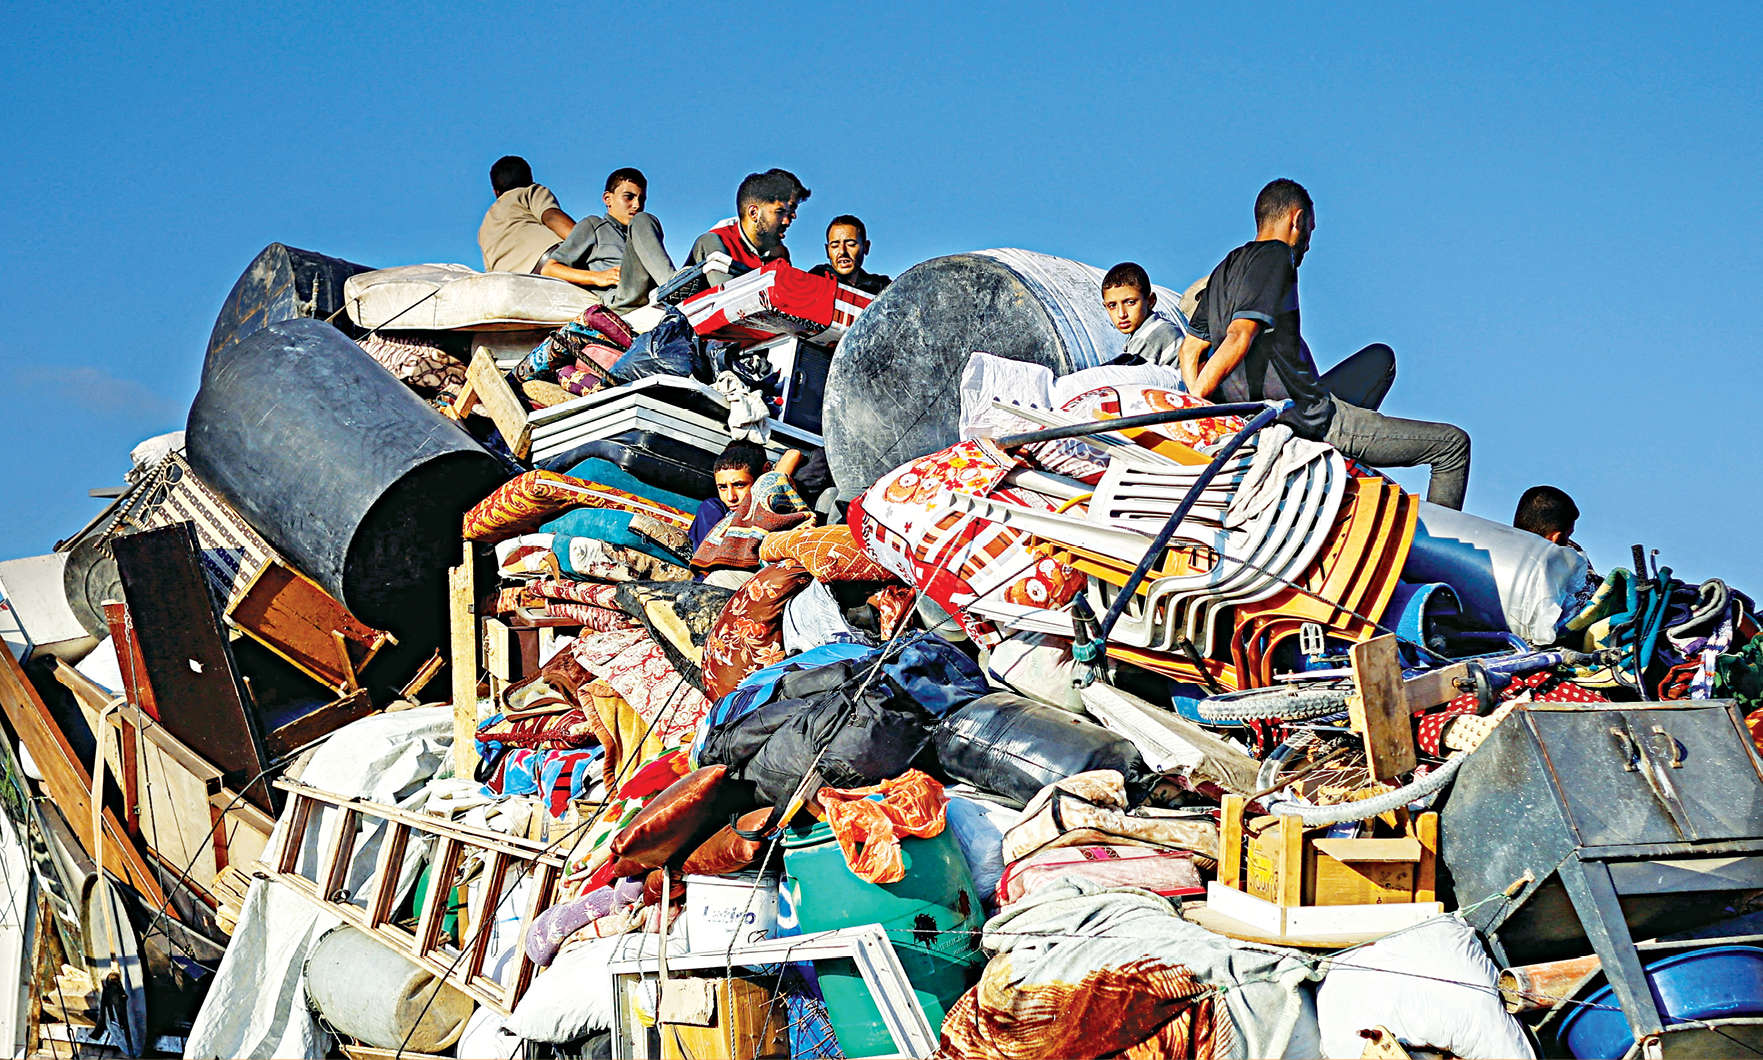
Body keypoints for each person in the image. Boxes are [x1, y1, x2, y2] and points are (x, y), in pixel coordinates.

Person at [1178, 179, 1472, 509]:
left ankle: (1351, 462)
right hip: (1309, 419)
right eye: (1310, 230)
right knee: (1452, 446)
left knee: (1380, 358)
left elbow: (1190, 349)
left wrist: (1200, 398)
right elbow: (1239, 336)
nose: (1308, 243)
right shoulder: (1277, 256)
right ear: (1297, 219)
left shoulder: (1225, 267)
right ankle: (1436, 540)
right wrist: (1197, 409)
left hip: (1281, 410)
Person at [541, 167, 678, 311]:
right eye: (629, 197)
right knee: (642, 219)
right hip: (624, 298)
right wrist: (597, 277)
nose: (637, 205)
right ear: (608, 199)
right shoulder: (593, 225)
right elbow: (550, 269)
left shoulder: (640, 231)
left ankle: (678, 287)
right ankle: (673, 287)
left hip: (653, 293)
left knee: (698, 245)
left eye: (641, 199)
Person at [685, 169, 811, 287]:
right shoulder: (714, 241)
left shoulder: (780, 254)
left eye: (791, 213)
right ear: (753, 213)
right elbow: (730, 298)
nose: (788, 221)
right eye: (780, 212)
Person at [477, 155, 576, 274]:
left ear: (496, 192)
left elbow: (490, 272)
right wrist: (583, 242)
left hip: (515, 278)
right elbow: (551, 216)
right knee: (591, 224)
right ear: (530, 179)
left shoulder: (483, 229)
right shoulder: (530, 191)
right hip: (550, 259)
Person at [689, 440, 768, 553]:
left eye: (739, 485)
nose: (731, 497)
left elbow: (792, 455)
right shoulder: (713, 508)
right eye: (722, 487)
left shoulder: (770, 508)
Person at [1101, 262, 1181, 366]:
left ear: (1151, 301)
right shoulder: (1159, 327)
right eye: (1112, 305)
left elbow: (1131, 375)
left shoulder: (1148, 337)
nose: (1121, 314)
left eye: (1130, 302)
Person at [809, 215, 891, 294]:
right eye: (835, 246)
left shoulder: (881, 287)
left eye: (851, 244)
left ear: (866, 247)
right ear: (827, 251)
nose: (842, 251)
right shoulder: (816, 277)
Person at [1514, 485, 1580, 545]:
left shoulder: (1508, 547)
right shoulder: (1557, 553)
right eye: (1568, 535)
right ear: (1554, 537)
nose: (1568, 545)